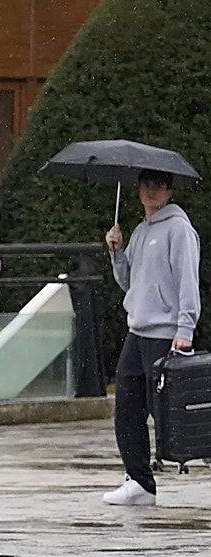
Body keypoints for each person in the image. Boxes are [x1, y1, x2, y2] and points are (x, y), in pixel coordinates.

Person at [102, 168, 201, 506]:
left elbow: (188, 279)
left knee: (170, 414)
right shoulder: (141, 232)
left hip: (165, 334)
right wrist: (117, 252)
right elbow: (130, 282)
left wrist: (184, 328)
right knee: (127, 410)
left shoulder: (179, 230)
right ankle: (139, 482)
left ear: (169, 190)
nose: (151, 191)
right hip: (137, 331)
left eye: (158, 185)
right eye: (146, 185)